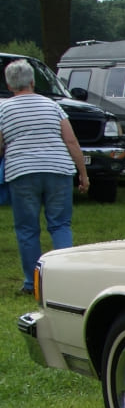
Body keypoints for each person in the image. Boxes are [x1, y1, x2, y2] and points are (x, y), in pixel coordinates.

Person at [0, 59, 90, 295]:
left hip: (22, 172)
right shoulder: (52, 106)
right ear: (32, 81)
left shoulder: (3, 109)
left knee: (27, 229)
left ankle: (32, 283)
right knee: (60, 224)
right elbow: (71, 141)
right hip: (58, 170)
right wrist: (83, 172)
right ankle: (63, 279)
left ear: (9, 85)